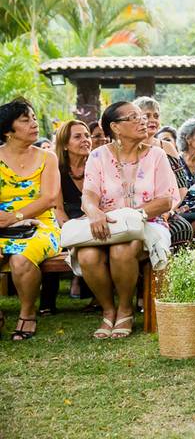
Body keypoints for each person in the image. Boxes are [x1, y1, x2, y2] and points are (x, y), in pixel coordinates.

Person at [77, 101, 179, 339]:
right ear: (115, 127)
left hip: (148, 222)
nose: (143, 121)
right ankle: (108, 310)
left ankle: (125, 309)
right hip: (107, 223)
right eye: (134, 117)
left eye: (142, 117)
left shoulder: (157, 155)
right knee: (87, 255)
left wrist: (134, 216)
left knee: (122, 249)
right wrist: (93, 212)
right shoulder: (97, 156)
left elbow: (166, 201)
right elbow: (88, 196)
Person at [0, 98, 61, 340]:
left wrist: (16, 217)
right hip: (2, 224)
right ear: (8, 131)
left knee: (21, 258)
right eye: (25, 120)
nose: (34, 124)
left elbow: (49, 198)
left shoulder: (48, 157)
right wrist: (6, 221)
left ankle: (27, 313)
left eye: (34, 118)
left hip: (41, 224)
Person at [134, 97, 194, 248]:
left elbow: (181, 187)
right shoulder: (128, 147)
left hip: (166, 209)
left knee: (182, 228)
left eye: (156, 116)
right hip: (135, 210)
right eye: (147, 116)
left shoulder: (166, 147)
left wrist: (169, 211)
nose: (152, 120)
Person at [50, 120, 95, 310]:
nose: (85, 140)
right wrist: (71, 231)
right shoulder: (56, 169)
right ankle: (47, 301)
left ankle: (96, 297)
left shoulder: (97, 164)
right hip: (66, 220)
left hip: (93, 218)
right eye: (78, 137)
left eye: (87, 135)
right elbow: (57, 208)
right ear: (65, 145)